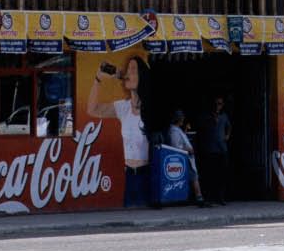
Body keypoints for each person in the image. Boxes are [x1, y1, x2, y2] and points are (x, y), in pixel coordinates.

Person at [86, 55, 152, 207]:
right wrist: (98, 79)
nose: (128, 73)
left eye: (133, 70)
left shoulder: (151, 107)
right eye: (127, 69)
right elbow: (92, 109)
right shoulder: (123, 107)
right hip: (129, 174)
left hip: (148, 174)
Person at [165, 109, 209, 207]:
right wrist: (188, 149)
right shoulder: (174, 131)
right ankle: (199, 198)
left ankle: (194, 198)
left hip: (186, 158)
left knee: (193, 177)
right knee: (194, 177)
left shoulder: (178, 130)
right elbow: (175, 146)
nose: (183, 119)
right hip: (184, 159)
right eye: (181, 118)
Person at [197, 95, 232, 205]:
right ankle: (209, 197)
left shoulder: (224, 116)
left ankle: (220, 197)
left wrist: (227, 135)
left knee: (222, 174)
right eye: (216, 103)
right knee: (210, 174)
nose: (218, 106)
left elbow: (229, 126)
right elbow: (201, 129)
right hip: (210, 149)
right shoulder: (207, 116)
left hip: (222, 149)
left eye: (220, 104)